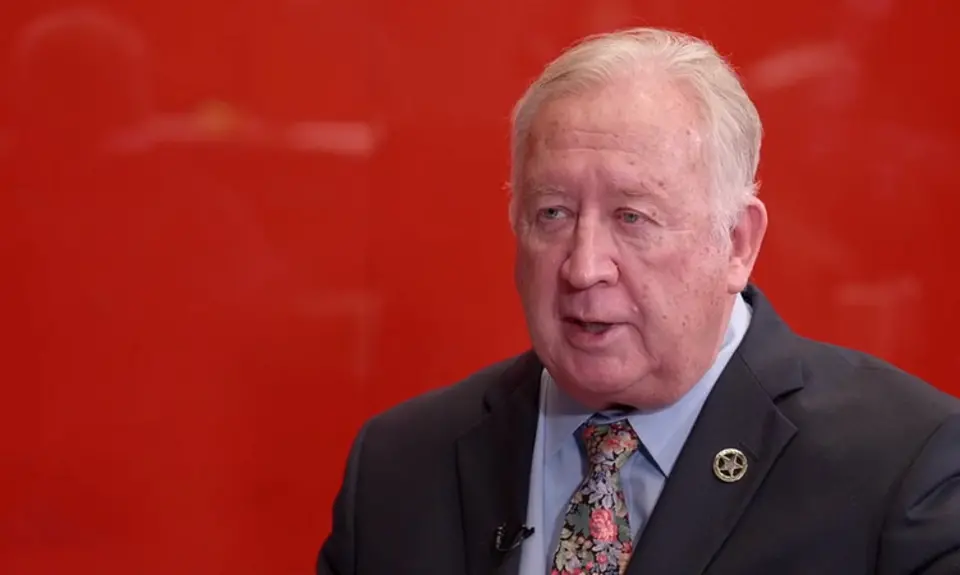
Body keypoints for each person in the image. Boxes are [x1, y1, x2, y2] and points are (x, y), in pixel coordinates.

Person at [315, 27, 960, 575]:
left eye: (633, 217)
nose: (583, 267)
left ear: (736, 243)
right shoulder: (399, 467)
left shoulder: (904, 467)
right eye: (553, 213)